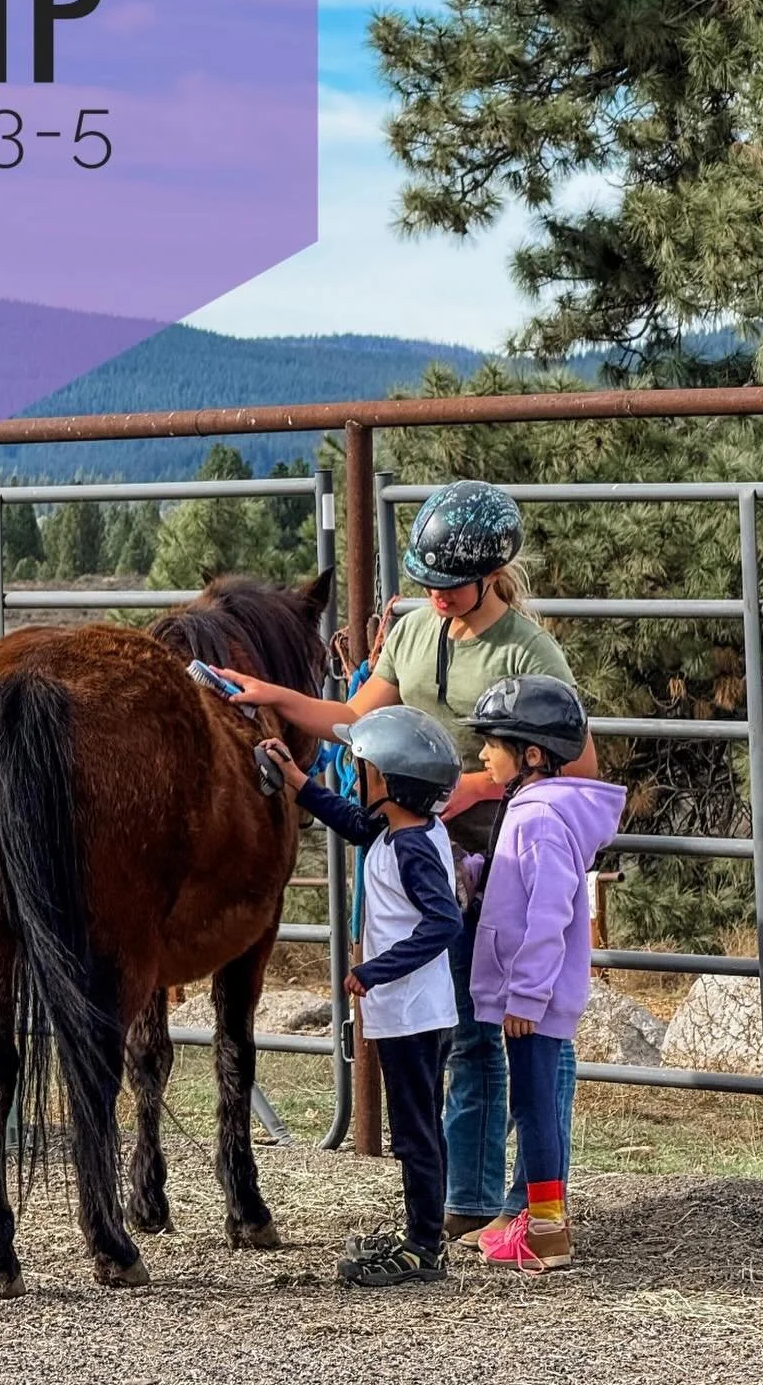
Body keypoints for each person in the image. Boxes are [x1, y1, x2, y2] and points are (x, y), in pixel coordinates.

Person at [217, 478, 597, 1242]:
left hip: (504, 854)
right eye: (428, 583)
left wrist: (476, 786)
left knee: (512, 1025)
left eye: (451, 587)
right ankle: (472, 1195)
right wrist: (271, 694)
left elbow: (575, 764)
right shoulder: (418, 631)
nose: (437, 596)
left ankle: (529, 1198)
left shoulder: (528, 650)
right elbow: (358, 720)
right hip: (430, 850)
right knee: (461, 1025)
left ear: (490, 576)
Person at [259, 708, 463, 1287]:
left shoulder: (410, 848)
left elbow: (443, 923)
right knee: (420, 1125)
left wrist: (375, 970)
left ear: (394, 784)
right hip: (410, 1012)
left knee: (416, 1131)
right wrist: (300, 782)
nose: (356, 773)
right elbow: (351, 820)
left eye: (364, 767)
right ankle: (424, 1233)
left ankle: (424, 1249)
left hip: (410, 1013)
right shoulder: (404, 830)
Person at [459, 674, 625, 1271]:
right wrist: (479, 873)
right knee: (531, 1107)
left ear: (530, 754)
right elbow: (523, 888)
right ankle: (541, 1223)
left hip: (533, 999)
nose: (482, 755)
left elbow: (551, 912)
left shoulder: (539, 819)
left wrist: (525, 997)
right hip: (529, 995)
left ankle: (549, 1234)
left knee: (533, 1109)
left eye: (492, 744)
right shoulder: (529, 811)